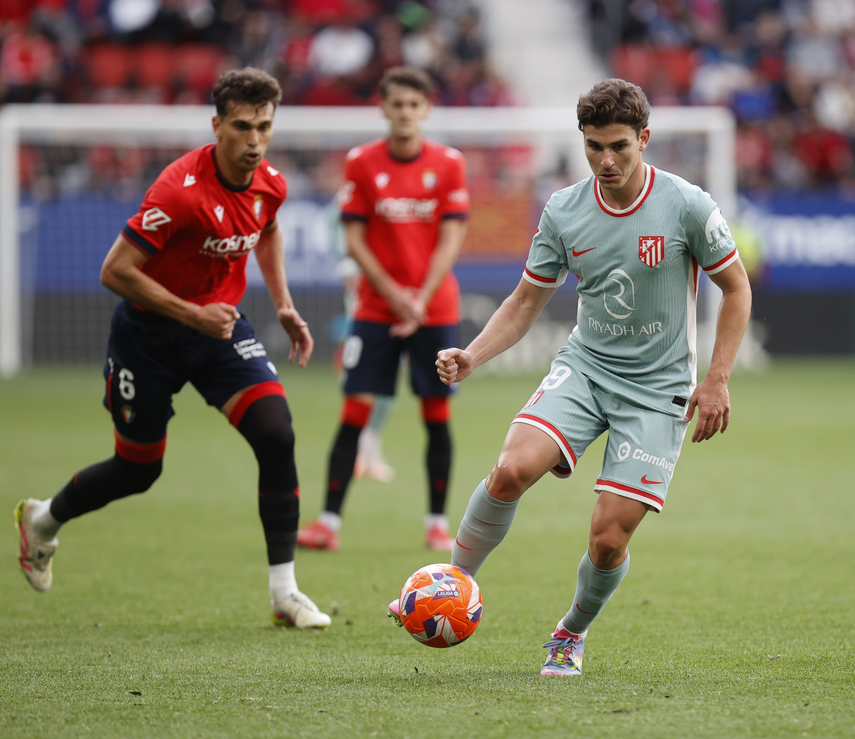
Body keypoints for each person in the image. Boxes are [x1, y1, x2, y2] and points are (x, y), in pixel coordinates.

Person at [389, 78, 752, 675]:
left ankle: (570, 631)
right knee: (509, 470)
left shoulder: (687, 204)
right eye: (593, 147)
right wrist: (472, 355)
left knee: (609, 538)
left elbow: (736, 288)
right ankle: (446, 584)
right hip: (586, 369)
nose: (605, 161)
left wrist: (716, 379)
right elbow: (526, 301)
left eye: (618, 147)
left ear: (644, 139)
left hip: (659, 391)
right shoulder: (564, 209)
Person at [14, 67, 331, 630]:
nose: (254, 141)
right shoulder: (176, 191)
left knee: (277, 433)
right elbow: (115, 271)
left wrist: (282, 303)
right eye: (241, 127)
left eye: (264, 126)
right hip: (148, 337)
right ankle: (43, 520)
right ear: (216, 125)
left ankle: (285, 591)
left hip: (220, 330)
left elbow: (270, 228)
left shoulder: (270, 184)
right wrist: (190, 314)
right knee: (139, 470)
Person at [297, 66, 469, 552]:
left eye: (414, 105)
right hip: (375, 308)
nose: (405, 114)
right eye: (397, 105)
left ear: (426, 110)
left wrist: (418, 296)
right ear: (384, 109)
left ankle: (437, 524)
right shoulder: (361, 163)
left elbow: (451, 237)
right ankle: (328, 523)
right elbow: (353, 236)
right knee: (354, 411)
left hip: (434, 311)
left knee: (436, 415)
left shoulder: (449, 163)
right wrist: (395, 294)